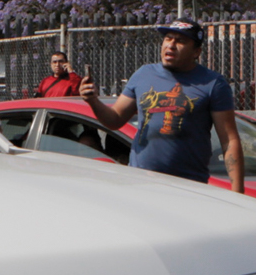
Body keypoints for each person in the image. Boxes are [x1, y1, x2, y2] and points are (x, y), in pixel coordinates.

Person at [78, 19, 244, 192]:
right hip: (140, 182)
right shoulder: (143, 74)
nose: (171, 45)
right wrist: (93, 101)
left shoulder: (213, 84)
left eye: (180, 41)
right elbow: (115, 120)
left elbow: (229, 140)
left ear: (197, 52)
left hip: (188, 186)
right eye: (168, 38)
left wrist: (238, 193)